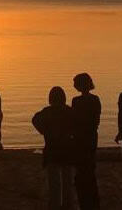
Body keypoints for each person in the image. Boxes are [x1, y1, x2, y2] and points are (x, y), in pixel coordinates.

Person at [33, 87, 77, 210]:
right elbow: (77, 125)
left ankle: (55, 205)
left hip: (52, 149)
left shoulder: (47, 111)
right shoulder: (69, 111)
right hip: (67, 149)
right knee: (67, 180)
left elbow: (35, 119)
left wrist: (44, 131)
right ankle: (67, 205)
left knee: (54, 182)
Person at [71, 73, 100, 209]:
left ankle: (84, 200)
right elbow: (96, 120)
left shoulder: (76, 101)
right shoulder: (95, 100)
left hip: (80, 138)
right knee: (89, 168)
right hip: (91, 137)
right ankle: (93, 200)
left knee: (81, 169)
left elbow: (74, 120)